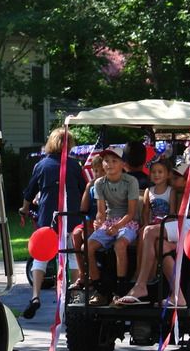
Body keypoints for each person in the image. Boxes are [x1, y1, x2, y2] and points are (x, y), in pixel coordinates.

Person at [120, 129, 190, 306]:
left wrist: (179, 215)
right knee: (160, 245)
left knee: (149, 231)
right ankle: (178, 296)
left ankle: (141, 284)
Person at [19, 128, 85, 319]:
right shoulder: (74, 166)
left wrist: (24, 208)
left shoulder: (41, 165)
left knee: (41, 258)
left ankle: (35, 296)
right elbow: (82, 189)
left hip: (48, 219)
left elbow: (30, 192)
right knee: (72, 257)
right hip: (71, 218)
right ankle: (73, 296)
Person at [85, 146, 139, 305]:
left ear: (122, 164)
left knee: (119, 245)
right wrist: (98, 221)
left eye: (114, 161)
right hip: (110, 222)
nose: (109, 164)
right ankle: (99, 289)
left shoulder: (130, 181)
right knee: (87, 247)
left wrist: (117, 227)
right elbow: (101, 211)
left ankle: (120, 290)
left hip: (127, 222)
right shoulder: (99, 183)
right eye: (106, 161)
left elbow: (131, 213)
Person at [71, 154, 104, 292]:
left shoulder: (107, 186)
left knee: (85, 238)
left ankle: (93, 276)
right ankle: (83, 273)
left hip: (100, 223)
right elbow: (83, 209)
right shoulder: (91, 187)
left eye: (101, 170)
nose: (97, 174)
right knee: (76, 233)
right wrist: (87, 187)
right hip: (89, 220)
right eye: (95, 171)